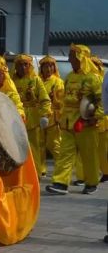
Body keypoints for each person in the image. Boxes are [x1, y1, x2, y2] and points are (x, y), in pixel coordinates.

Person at [46, 44, 103, 195]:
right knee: (65, 153)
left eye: (72, 56)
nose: (69, 59)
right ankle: (60, 183)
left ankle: (91, 182)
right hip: (67, 122)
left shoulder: (93, 78)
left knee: (88, 154)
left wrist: (95, 117)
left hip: (85, 123)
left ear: (81, 57)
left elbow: (101, 100)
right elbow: (65, 99)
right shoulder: (70, 76)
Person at [11, 54, 52, 177]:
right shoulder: (12, 81)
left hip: (32, 119)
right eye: (20, 65)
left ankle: (36, 175)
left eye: (26, 64)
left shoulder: (35, 80)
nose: (23, 67)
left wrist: (45, 115)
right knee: (16, 148)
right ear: (15, 66)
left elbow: (45, 99)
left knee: (34, 149)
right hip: (15, 117)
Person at [38, 56, 64, 175]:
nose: (48, 69)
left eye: (51, 66)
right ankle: (40, 168)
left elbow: (63, 101)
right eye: (45, 66)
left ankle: (62, 167)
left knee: (53, 144)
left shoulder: (58, 81)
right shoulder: (38, 80)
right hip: (39, 115)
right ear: (41, 68)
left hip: (53, 116)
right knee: (39, 143)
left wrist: (55, 99)